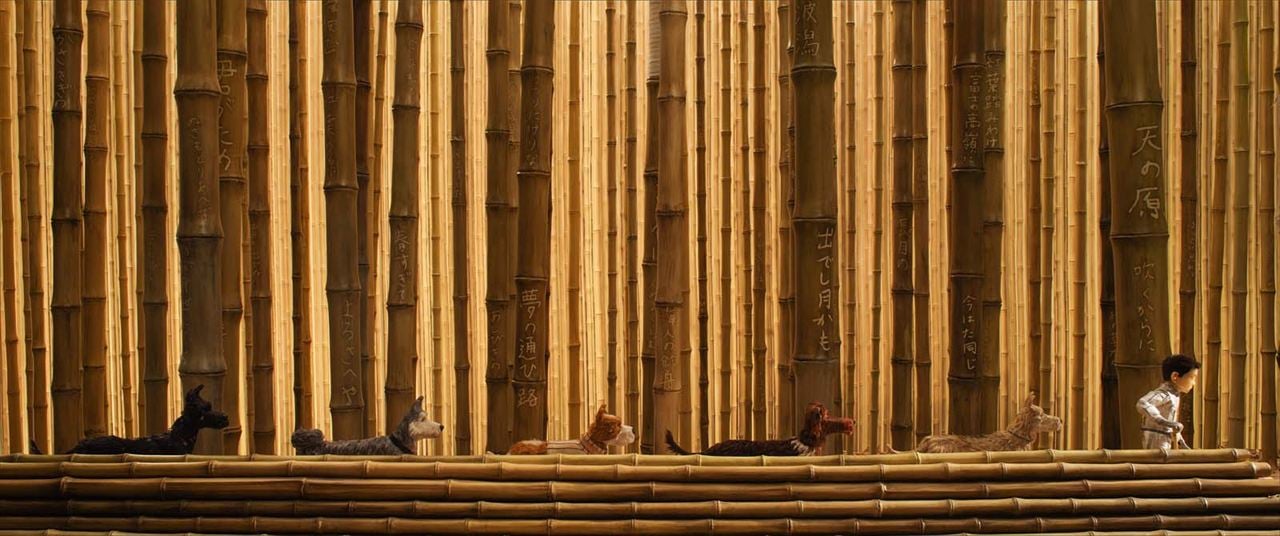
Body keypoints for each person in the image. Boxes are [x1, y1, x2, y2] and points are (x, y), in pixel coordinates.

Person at [1135, 354, 1200, 450]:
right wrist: (1162, 421)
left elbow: (1173, 424)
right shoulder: (1164, 394)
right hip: (1156, 439)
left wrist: (1182, 443)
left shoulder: (1173, 396)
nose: (1194, 383)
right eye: (1192, 377)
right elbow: (1142, 403)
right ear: (1175, 376)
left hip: (1165, 439)